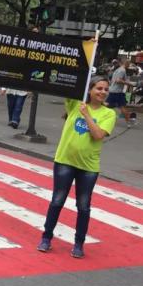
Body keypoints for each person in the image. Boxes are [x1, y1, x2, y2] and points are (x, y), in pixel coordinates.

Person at [37, 76, 117, 259]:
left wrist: (87, 114)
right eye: (98, 88)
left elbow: (97, 135)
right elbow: (67, 86)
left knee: (83, 206)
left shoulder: (109, 114)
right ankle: (46, 238)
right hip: (65, 161)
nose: (103, 92)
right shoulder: (75, 104)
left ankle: (79, 243)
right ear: (89, 90)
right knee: (57, 200)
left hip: (88, 167)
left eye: (105, 89)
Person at [106, 58, 136, 127]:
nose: (129, 65)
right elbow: (118, 80)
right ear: (125, 63)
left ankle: (128, 122)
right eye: (129, 63)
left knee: (108, 106)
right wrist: (129, 84)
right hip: (117, 92)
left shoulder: (118, 69)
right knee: (122, 107)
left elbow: (113, 80)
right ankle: (128, 122)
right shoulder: (122, 70)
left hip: (114, 91)